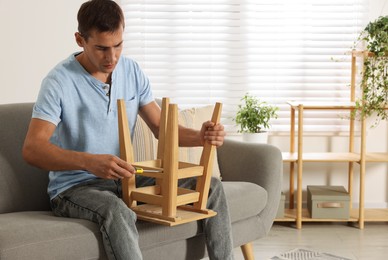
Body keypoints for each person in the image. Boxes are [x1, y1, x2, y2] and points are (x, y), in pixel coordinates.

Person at [22, 0, 234, 259]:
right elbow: (33, 149)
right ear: (80, 40)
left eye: (118, 45)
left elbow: (160, 127)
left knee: (211, 187)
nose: (112, 57)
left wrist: (200, 137)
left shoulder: (132, 71)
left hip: (127, 177)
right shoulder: (58, 81)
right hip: (75, 188)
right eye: (101, 48)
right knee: (117, 210)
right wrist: (90, 162)